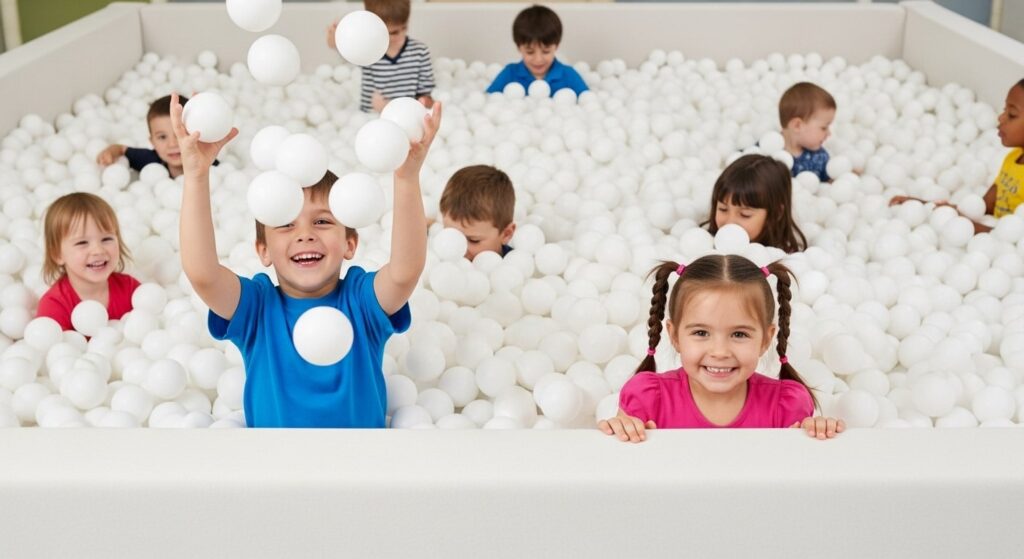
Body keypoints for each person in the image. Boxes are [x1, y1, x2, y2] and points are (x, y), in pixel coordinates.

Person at [172, 91, 442, 427]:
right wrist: (196, 175)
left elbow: (404, 273)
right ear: (263, 251)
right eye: (286, 224)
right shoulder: (257, 308)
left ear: (350, 243)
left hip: (359, 472)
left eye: (323, 221)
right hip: (278, 473)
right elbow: (203, 274)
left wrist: (406, 177)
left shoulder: (360, 301)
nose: (305, 234)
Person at [598, 255, 844, 442]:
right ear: (674, 335)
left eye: (739, 334)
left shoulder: (785, 406)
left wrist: (819, 435)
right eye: (701, 333)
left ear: (766, 339)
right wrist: (618, 432)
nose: (719, 351)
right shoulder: (648, 399)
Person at [890, 79, 1024, 234]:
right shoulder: (1012, 159)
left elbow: (1016, 239)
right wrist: (923, 206)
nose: (1000, 118)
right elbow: (983, 207)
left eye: (1012, 114)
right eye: (1004, 110)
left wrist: (961, 222)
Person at [37, 192, 140, 331]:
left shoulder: (130, 289)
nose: (98, 250)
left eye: (106, 239)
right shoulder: (54, 306)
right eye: (82, 242)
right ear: (57, 254)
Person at [327, 0, 435, 112]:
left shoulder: (420, 51)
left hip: (404, 115)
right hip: (370, 116)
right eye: (393, 32)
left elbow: (426, 94)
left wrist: (423, 101)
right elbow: (345, 53)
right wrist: (334, 39)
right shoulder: (367, 50)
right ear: (373, 28)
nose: (401, 35)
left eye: (404, 27)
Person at [704, 154, 807, 253]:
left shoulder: (784, 258)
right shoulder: (705, 243)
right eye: (723, 209)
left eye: (745, 214)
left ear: (777, 213)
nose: (730, 222)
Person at [96, 94, 209, 178]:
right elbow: (121, 149)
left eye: (179, 134)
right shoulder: (151, 160)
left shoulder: (208, 164)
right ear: (152, 141)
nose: (172, 144)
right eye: (162, 137)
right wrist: (110, 152)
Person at [485, 5, 588, 97]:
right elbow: (489, 99)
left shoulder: (568, 75)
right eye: (530, 52)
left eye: (546, 51)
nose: (538, 59)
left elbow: (588, 100)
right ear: (518, 47)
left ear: (556, 46)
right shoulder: (509, 74)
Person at [438, 165, 516, 261]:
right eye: (451, 235)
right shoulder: (441, 257)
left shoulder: (513, 263)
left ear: (506, 234)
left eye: (473, 240)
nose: (459, 249)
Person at [780, 82, 836, 181]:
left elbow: (829, 185)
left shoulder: (820, 158)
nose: (829, 134)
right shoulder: (766, 151)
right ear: (797, 126)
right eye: (824, 128)